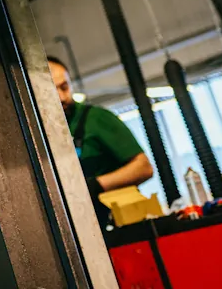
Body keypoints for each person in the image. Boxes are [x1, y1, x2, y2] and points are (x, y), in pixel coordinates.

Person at [48, 56, 154, 223]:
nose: (62, 97)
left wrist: (96, 185)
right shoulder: (42, 133)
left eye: (64, 87)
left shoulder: (96, 118)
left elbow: (144, 167)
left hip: (119, 222)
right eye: (53, 91)